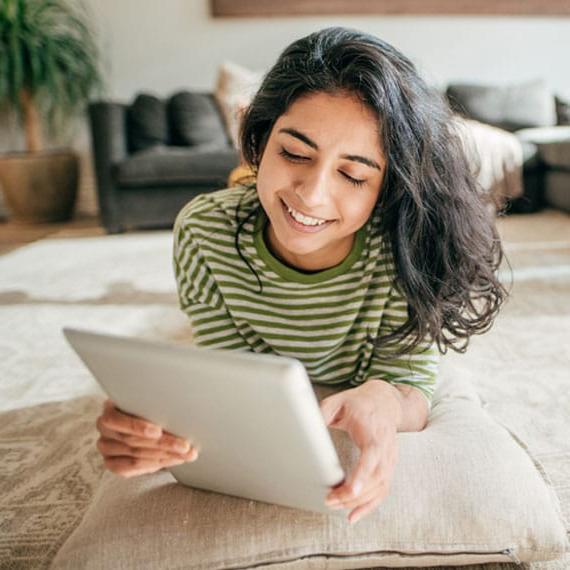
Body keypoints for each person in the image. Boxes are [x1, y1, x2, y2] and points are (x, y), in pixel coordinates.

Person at [94, 26, 509, 525]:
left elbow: (409, 382)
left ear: (389, 185)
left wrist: (385, 399)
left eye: (353, 175)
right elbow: (231, 373)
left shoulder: (408, 246)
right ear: (259, 140)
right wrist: (161, 423)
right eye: (293, 153)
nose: (311, 196)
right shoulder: (205, 233)